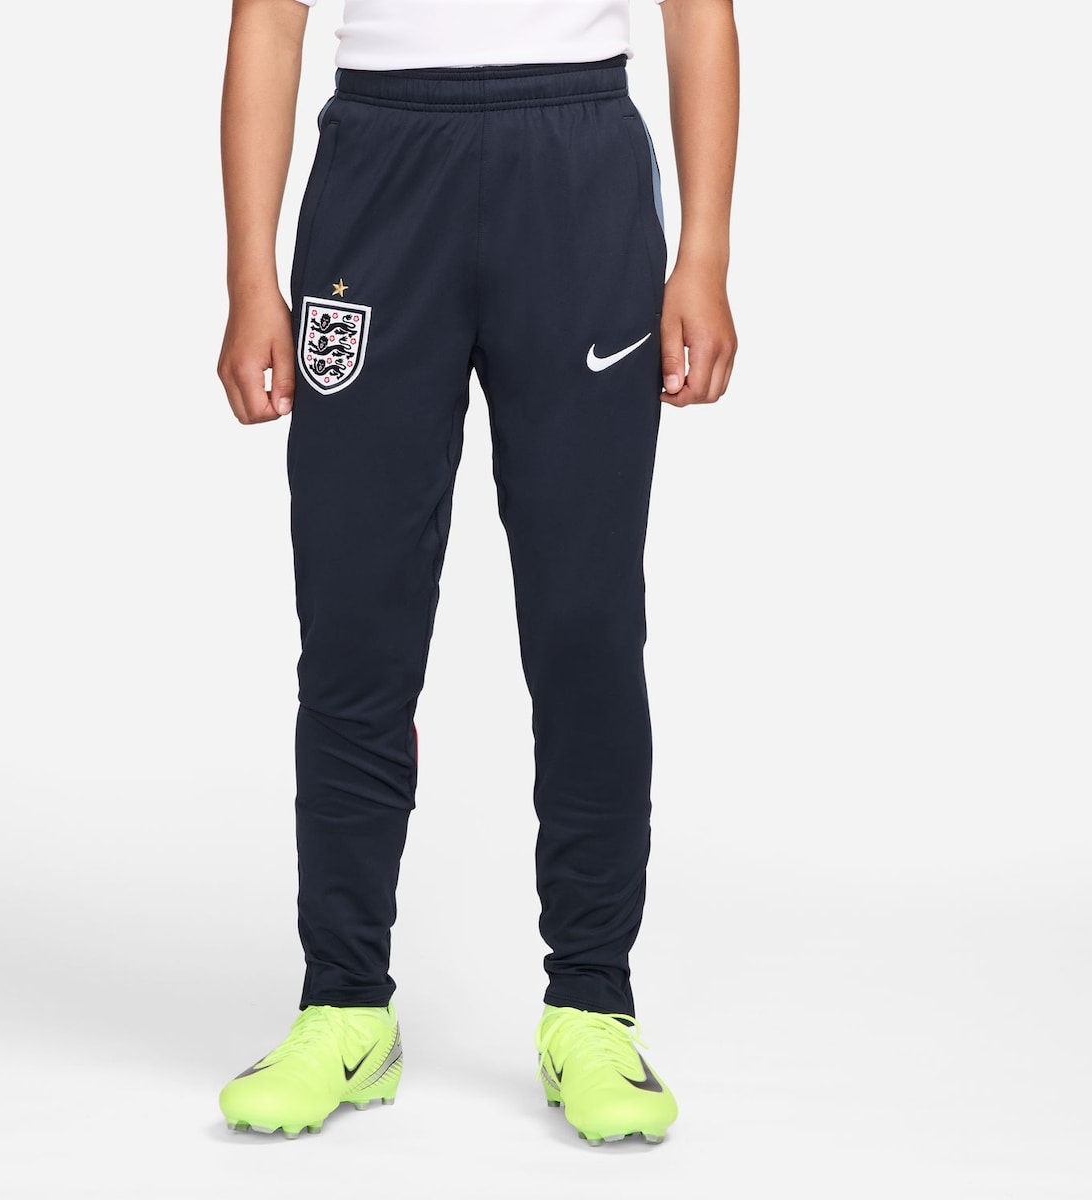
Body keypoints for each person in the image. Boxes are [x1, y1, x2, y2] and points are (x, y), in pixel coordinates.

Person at [215, 0, 738, 1147]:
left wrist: (703, 252)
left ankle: (591, 1004)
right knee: (356, 622)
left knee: (586, 621)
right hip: (380, 171)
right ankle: (344, 1005)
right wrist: (251, 276)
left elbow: (698, 12)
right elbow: (270, 17)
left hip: (577, 166)